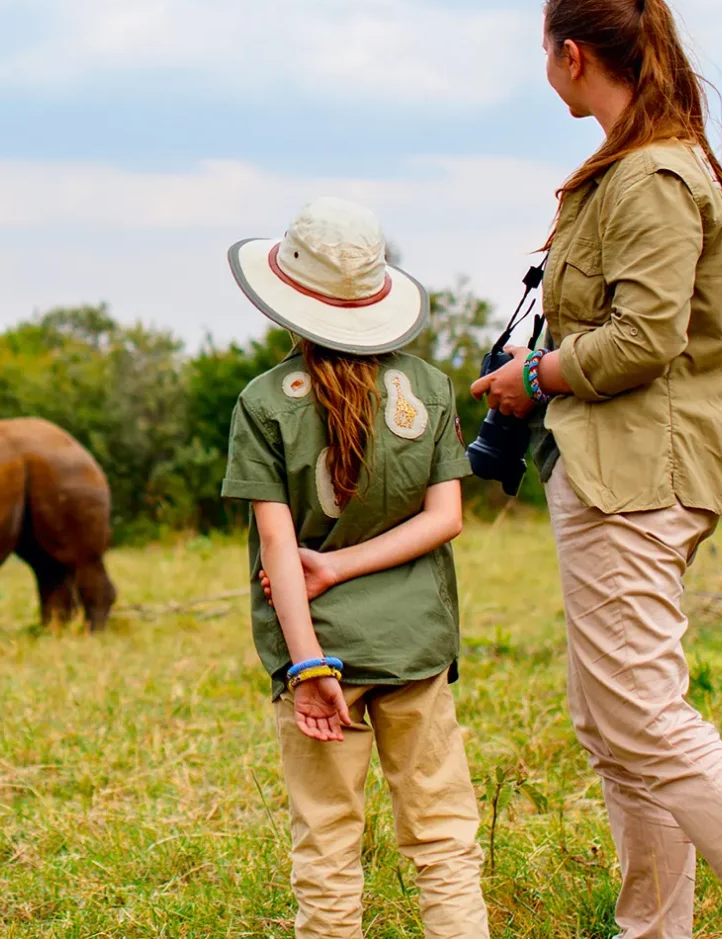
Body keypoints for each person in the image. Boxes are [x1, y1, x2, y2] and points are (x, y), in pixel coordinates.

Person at [470, 0, 722, 939]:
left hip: (638, 476)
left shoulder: (649, 174)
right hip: (621, 467)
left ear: (570, 55)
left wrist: (537, 377)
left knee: (643, 717)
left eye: (545, 55)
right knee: (614, 728)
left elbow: (645, 339)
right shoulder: (642, 161)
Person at [220, 196, 490, 939]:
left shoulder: (262, 402)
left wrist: (308, 665)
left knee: (327, 842)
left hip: (320, 655)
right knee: (442, 835)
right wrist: (343, 568)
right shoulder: (430, 388)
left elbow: (280, 548)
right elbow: (447, 519)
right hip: (416, 646)